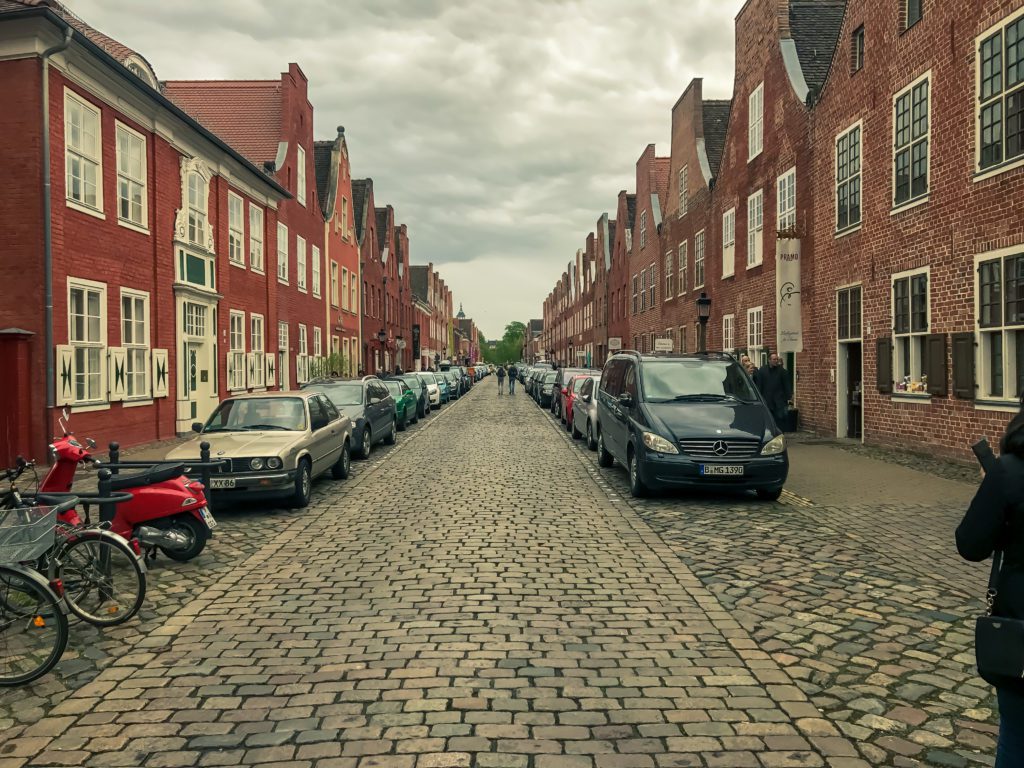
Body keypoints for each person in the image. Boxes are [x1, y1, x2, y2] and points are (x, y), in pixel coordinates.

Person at [957, 410, 1024, 765]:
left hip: (1020, 623)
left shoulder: (1010, 472)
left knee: (1017, 737)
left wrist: (992, 489)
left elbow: (971, 544)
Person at [757, 353, 792, 426]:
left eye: (777, 359)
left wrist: (788, 398)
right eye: (774, 359)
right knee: (768, 421)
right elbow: (759, 385)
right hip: (766, 400)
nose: (776, 361)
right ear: (769, 360)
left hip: (779, 401)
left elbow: (787, 385)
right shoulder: (762, 371)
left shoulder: (782, 371)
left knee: (780, 421)